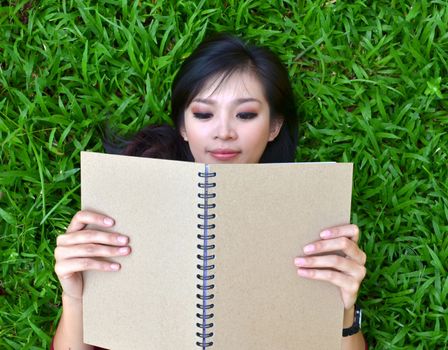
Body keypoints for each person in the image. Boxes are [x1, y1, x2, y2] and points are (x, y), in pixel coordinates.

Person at [52, 33, 367, 349]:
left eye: (245, 114)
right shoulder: (127, 206)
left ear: (274, 126)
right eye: (204, 114)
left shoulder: (309, 220)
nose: (224, 132)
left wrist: (342, 311)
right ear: (183, 127)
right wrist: (76, 296)